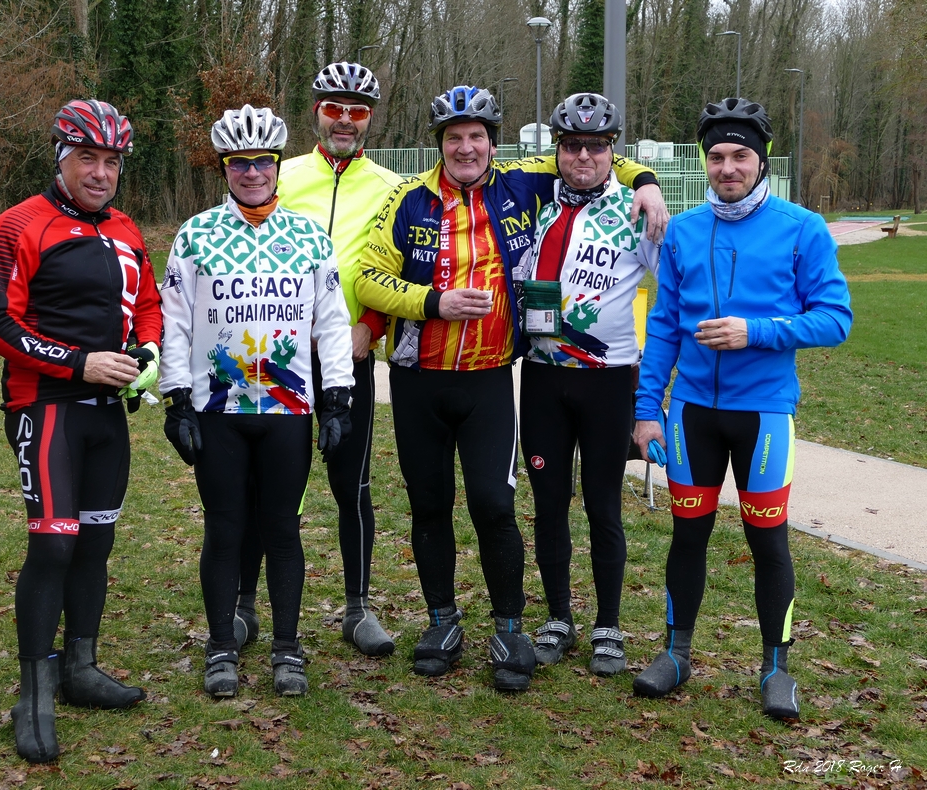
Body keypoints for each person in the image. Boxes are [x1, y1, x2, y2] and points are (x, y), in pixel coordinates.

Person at [354, 85, 668, 692]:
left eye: (476, 137)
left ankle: (510, 628)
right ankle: (442, 622)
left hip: (491, 379)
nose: (465, 148)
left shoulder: (523, 184)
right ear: (439, 144)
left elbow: (592, 154)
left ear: (493, 144)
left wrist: (648, 181)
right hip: (418, 379)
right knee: (429, 506)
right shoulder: (407, 198)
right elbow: (368, 277)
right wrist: (433, 302)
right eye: (453, 138)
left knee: (495, 505)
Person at [631, 97, 852, 719]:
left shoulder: (802, 228)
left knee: (768, 541)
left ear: (762, 160)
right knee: (688, 536)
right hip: (692, 415)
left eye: (740, 156)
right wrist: (648, 409)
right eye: (717, 157)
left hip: (764, 414)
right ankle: (676, 654)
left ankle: (776, 668)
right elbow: (665, 326)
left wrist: (755, 332)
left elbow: (835, 319)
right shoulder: (684, 231)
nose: (727, 167)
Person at [0, 99, 161, 763]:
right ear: (61, 159)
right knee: (54, 547)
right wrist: (79, 363)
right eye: (87, 158)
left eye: (111, 161)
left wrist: (147, 351)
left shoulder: (127, 228)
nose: (101, 172)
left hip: (107, 413)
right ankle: (34, 692)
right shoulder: (17, 224)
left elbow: (148, 305)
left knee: (95, 545)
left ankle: (81, 668)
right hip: (44, 405)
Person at [158, 105, 353, 699]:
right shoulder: (195, 234)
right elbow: (176, 322)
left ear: (276, 165)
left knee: (282, 530)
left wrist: (338, 396)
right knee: (224, 530)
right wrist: (175, 398)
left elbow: (332, 322)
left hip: (287, 410)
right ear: (224, 168)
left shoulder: (308, 236)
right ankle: (221, 645)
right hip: (219, 410)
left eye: (262, 162)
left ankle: (287, 648)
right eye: (239, 163)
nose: (251, 173)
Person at [234, 62, 402, 657]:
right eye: (335, 108)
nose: (345, 120)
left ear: (370, 119)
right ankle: (243, 605)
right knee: (263, 485)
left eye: (358, 111)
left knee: (352, 484)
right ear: (316, 113)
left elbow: (402, 266)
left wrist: (371, 326)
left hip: (347, 357)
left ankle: (358, 608)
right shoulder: (281, 174)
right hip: (273, 359)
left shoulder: (391, 187)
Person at [516, 93, 659, 675]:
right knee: (549, 504)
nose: (583, 156)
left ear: (612, 151)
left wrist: (647, 183)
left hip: (608, 381)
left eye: (596, 146)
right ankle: (557, 617)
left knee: (603, 506)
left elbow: (674, 292)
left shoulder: (635, 209)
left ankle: (608, 625)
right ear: (557, 150)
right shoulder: (533, 202)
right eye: (572, 145)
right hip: (543, 378)